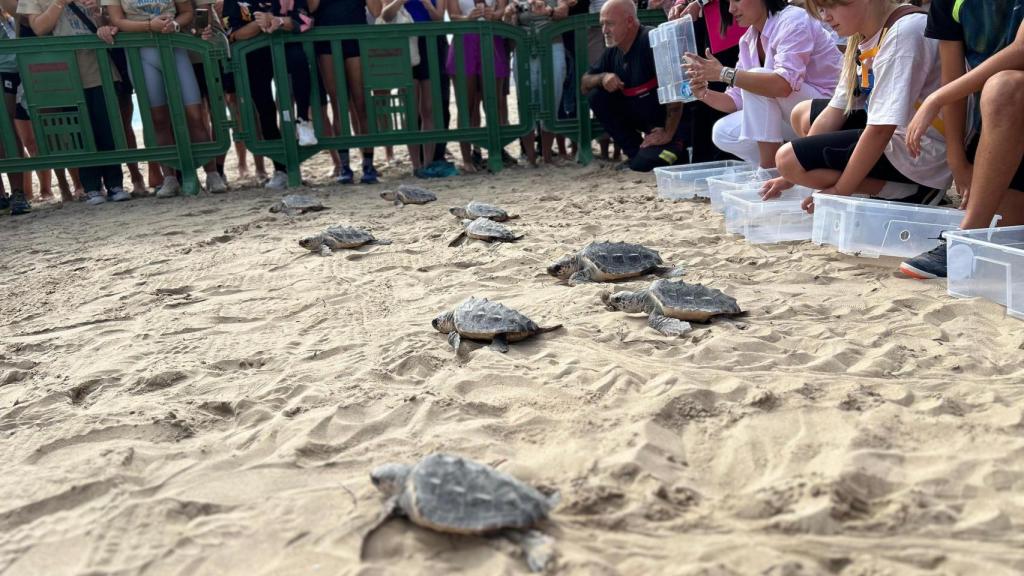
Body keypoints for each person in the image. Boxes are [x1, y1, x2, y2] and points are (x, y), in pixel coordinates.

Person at [765, 1, 951, 212]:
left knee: (787, 159)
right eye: (821, 9)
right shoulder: (863, 34)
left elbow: (881, 129)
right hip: (898, 130)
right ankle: (895, 185)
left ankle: (910, 190)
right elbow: (837, 109)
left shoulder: (904, 32)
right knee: (803, 115)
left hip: (922, 148)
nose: (825, 17)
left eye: (831, 6)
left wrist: (839, 191)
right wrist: (789, 178)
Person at [898, 1, 1024, 279]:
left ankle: (967, 239)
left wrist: (936, 98)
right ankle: (975, 234)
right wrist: (958, 160)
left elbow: (1021, 50)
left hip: (1010, 100)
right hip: (1005, 127)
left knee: (1005, 86)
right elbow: (952, 78)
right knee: (1006, 232)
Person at [684, 0, 842, 168]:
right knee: (723, 132)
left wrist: (723, 73)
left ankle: (768, 170)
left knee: (754, 78)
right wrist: (703, 93)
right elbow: (735, 100)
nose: (731, 9)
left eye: (737, 0)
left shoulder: (793, 19)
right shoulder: (748, 40)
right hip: (795, 114)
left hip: (831, 112)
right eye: (728, 2)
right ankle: (784, 172)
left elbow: (783, 85)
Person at [101, 0, 228, 197]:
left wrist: (175, 24)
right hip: (140, 50)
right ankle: (169, 177)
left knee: (194, 113)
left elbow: (187, 11)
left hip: (174, 45)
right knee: (158, 118)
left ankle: (212, 174)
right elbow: (117, 19)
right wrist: (150, 26)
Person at [19, 0, 129, 205]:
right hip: (63, 71)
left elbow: (108, 20)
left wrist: (101, 19)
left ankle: (115, 184)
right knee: (79, 132)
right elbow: (39, 28)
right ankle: (91, 187)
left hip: (98, 66)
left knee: (106, 127)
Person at [581, 0, 690, 172]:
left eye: (609, 24)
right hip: (647, 125)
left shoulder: (651, 40)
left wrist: (668, 132)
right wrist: (603, 78)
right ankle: (635, 153)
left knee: (647, 163)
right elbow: (584, 83)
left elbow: (676, 90)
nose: (604, 30)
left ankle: (668, 151)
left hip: (673, 127)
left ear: (630, 21)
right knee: (597, 95)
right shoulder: (614, 50)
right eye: (602, 24)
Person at [222, 0, 316, 190]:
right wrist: (259, 24)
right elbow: (232, 33)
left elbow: (305, 19)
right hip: (254, 57)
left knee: (299, 70)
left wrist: (278, 21)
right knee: (266, 110)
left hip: (287, 50)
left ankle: (303, 120)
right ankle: (280, 169)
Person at [665, 0, 745, 163]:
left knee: (724, 93)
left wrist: (700, 2)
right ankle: (704, 163)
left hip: (725, 22)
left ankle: (726, 163)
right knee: (698, 95)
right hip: (700, 22)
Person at [310, 0, 378, 184]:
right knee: (338, 104)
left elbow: (377, 11)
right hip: (326, 39)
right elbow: (311, 8)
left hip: (355, 38)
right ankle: (344, 166)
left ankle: (368, 163)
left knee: (361, 102)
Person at [446, 0, 510, 172]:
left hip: (491, 39)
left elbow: (502, 9)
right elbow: (452, 16)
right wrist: (468, 17)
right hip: (465, 41)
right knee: (466, 106)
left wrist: (495, 15)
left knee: (493, 103)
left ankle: (495, 153)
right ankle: (468, 158)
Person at [504, 0, 568, 166]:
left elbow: (564, 12)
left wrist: (548, 11)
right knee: (526, 103)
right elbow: (508, 25)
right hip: (524, 48)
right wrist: (510, 13)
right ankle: (531, 157)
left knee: (551, 100)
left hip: (552, 45)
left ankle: (546, 155)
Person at [0, 2, 29, 215]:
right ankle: (2, 195)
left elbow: (20, 12)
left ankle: (18, 191)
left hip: (7, 67)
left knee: (8, 131)